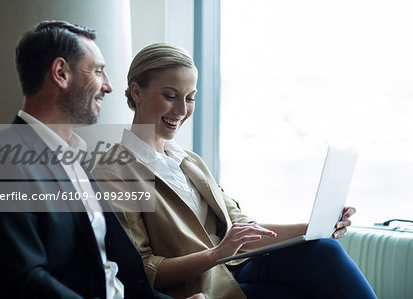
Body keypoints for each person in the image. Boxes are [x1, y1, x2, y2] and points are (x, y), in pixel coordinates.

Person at [93, 43, 377, 299]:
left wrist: (316, 228)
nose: (181, 109)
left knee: (323, 250)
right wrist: (217, 253)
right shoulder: (114, 170)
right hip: (198, 287)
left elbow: (242, 229)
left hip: (235, 268)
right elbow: (143, 269)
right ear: (136, 91)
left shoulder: (188, 160)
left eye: (190, 98)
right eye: (170, 95)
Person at [0, 21, 204, 299]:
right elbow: (23, 282)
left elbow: (118, 275)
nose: (109, 86)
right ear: (61, 73)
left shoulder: (76, 161)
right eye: (98, 71)